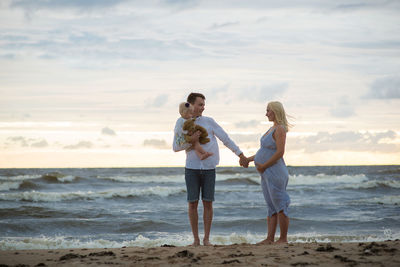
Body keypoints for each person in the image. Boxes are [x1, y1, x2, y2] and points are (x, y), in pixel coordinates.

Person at [173, 92, 249, 246]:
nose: (203, 107)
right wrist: (191, 142)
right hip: (192, 168)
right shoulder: (180, 123)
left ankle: (206, 239)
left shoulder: (209, 122)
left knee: (208, 203)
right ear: (190, 105)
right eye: (200, 104)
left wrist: (240, 154)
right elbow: (175, 147)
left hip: (209, 168)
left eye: (203, 104)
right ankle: (196, 240)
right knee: (192, 203)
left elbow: (225, 139)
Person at [246, 101, 291, 244]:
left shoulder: (280, 129)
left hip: (275, 171)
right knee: (271, 206)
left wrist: (264, 166)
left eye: (268, 111)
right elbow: (264, 151)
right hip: (265, 172)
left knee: (280, 203)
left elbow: (280, 152)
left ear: (276, 111)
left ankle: (283, 239)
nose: (266, 114)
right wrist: (249, 159)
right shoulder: (271, 129)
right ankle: (270, 238)